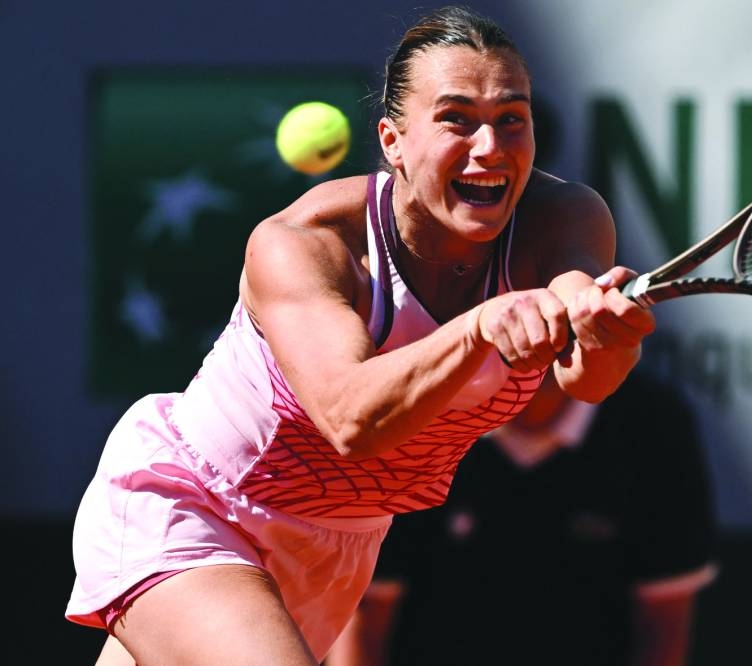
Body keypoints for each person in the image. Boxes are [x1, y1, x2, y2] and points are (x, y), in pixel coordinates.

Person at [65, 5, 656, 665]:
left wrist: (607, 333)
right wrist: (479, 327)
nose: (490, 147)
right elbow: (352, 420)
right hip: (198, 506)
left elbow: (588, 378)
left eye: (511, 119)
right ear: (393, 142)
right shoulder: (308, 243)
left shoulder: (564, 217)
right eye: (457, 119)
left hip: (337, 548)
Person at [324, 369, 718, 666]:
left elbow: (663, 627)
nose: (538, 327)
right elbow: (364, 623)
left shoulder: (654, 426)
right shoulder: (418, 420)